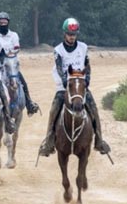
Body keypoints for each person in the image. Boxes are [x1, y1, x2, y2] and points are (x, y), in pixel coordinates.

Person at [38, 18, 111, 157]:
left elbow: (87, 65)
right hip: (64, 86)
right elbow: (59, 68)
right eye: (69, 34)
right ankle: (48, 141)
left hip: (80, 85)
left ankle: (99, 140)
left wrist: (87, 78)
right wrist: (65, 81)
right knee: (54, 110)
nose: (72, 37)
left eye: (74, 34)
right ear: (64, 34)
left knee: (93, 108)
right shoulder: (58, 50)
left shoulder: (83, 47)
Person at [0, 12, 39, 115]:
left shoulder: (14, 35)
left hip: (12, 65)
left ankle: (29, 103)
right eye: (1, 22)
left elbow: (16, 48)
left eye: (5, 22)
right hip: (0, 66)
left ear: (8, 23)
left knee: (23, 82)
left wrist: (7, 52)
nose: (3, 24)